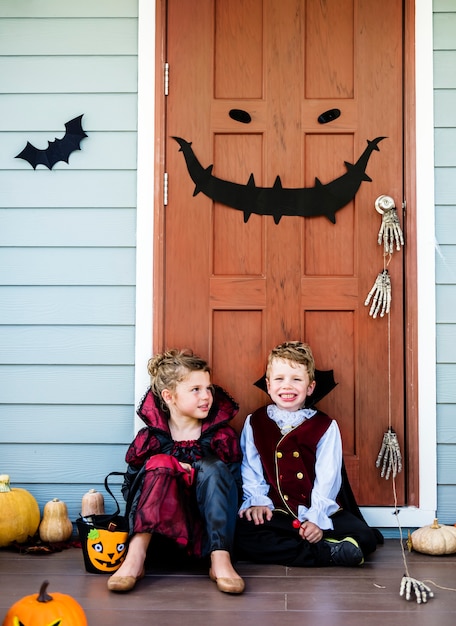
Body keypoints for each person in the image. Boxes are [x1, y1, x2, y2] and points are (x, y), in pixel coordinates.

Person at [108, 348, 245, 594]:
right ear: (169, 396)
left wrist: (195, 475)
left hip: (208, 535)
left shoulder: (219, 437)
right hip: (161, 534)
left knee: (212, 468)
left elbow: (233, 485)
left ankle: (221, 561)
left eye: (208, 388)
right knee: (160, 463)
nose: (206, 396)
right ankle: (135, 557)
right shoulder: (151, 439)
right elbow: (131, 489)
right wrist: (172, 470)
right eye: (196, 390)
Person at [235, 340, 379, 568]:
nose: (287, 386)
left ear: (310, 387)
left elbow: (329, 476)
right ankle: (327, 553)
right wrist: (257, 502)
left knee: (365, 537)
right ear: (268, 385)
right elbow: (251, 468)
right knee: (242, 534)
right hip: (277, 511)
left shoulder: (325, 426)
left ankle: (317, 542)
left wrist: (316, 520)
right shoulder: (255, 422)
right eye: (279, 379)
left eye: (296, 379)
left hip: (317, 509)